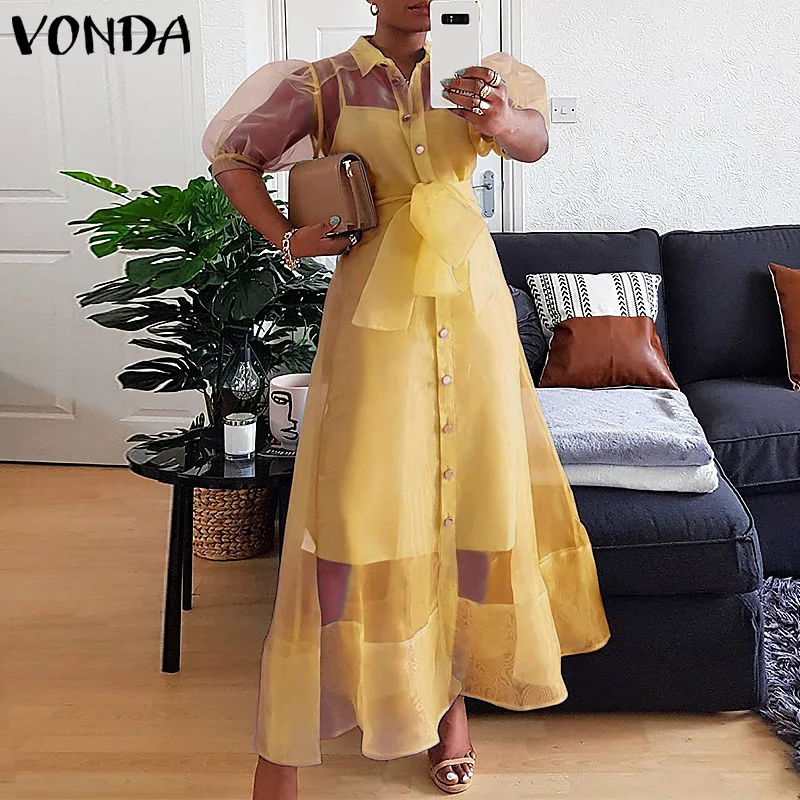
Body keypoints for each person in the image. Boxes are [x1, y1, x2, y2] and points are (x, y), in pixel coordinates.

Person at [202, 1, 611, 797]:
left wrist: (500, 118)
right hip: (375, 321)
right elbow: (233, 158)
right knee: (351, 505)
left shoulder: (480, 76)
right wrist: (287, 237)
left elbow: (536, 141)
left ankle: (450, 706)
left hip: (472, 311)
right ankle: (286, 741)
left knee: (472, 501)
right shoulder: (322, 85)